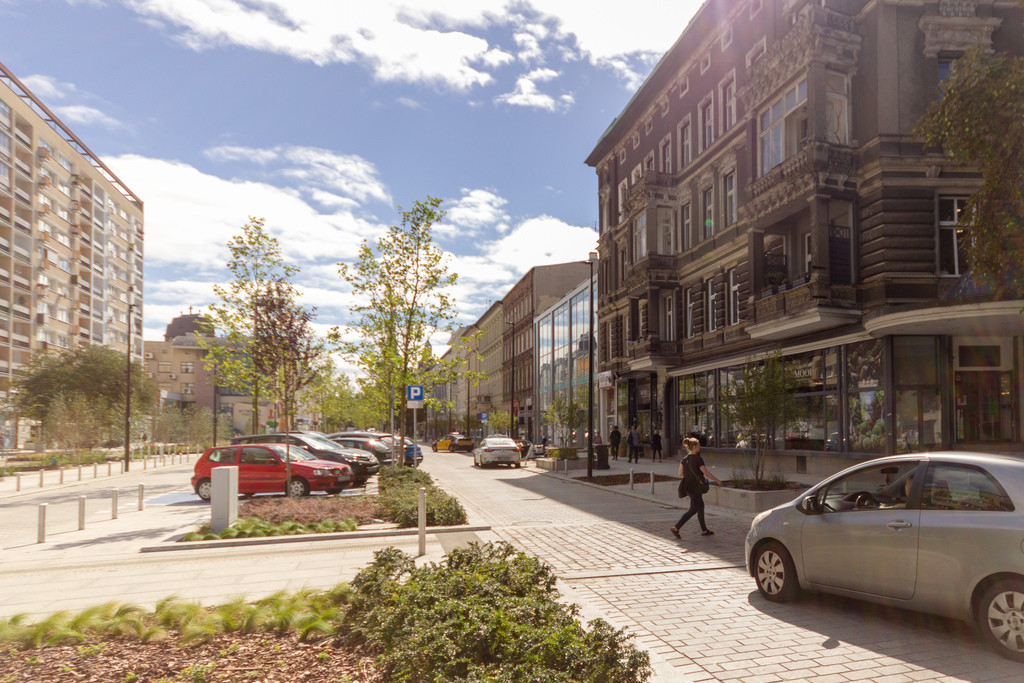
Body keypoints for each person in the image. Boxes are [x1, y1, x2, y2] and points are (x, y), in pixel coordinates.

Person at [671, 436, 723, 538]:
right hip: (696, 487)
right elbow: (706, 473)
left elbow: (680, 473)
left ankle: (704, 530)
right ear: (694, 447)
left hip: (688, 487)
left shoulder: (684, 460)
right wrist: (717, 481)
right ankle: (676, 527)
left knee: (701, 507)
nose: (700, 447)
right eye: (698, 445)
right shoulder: (698, 459)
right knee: (693, 509)